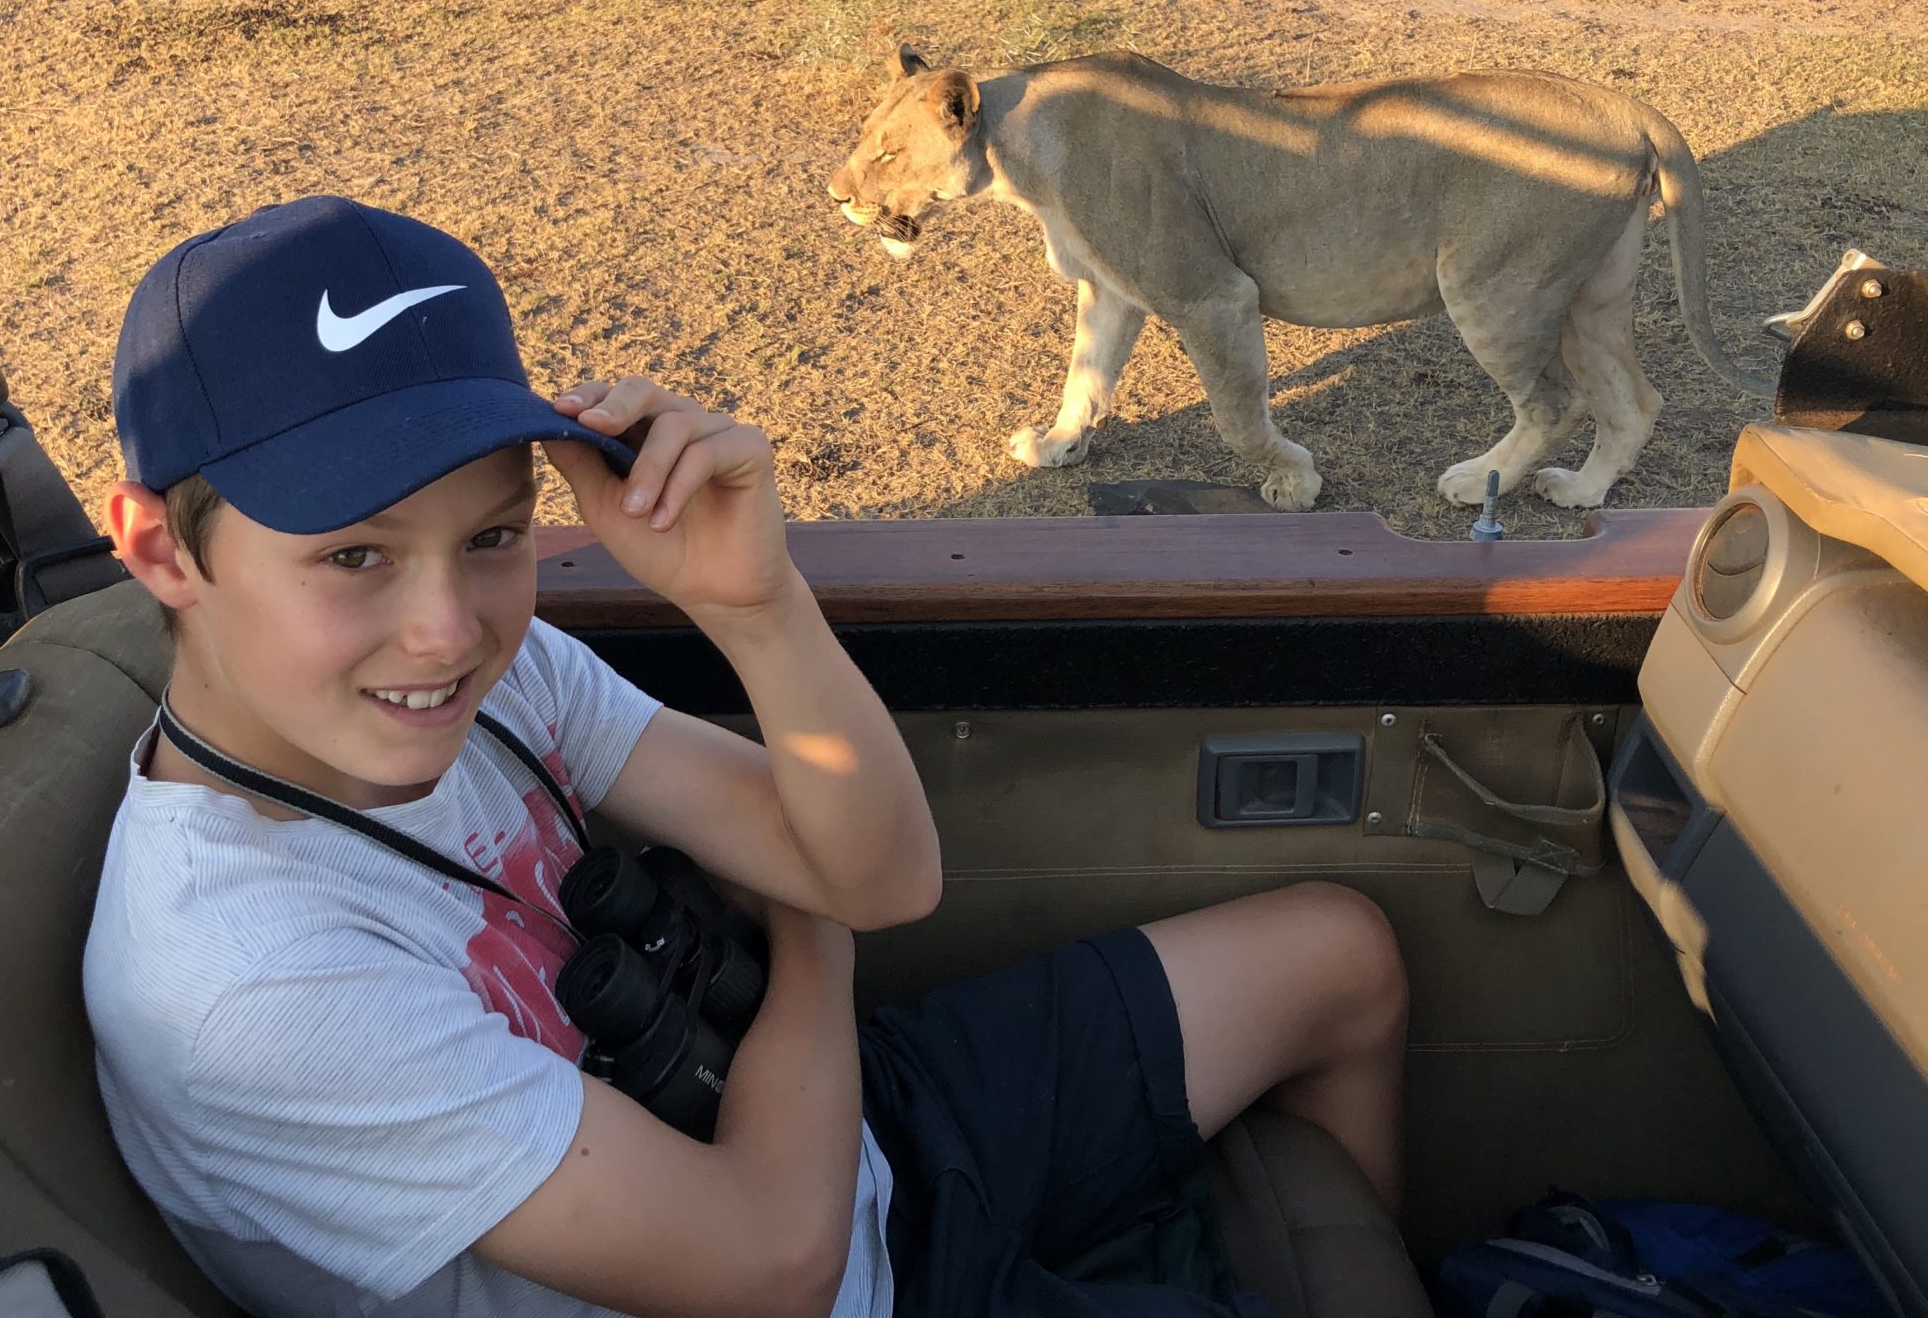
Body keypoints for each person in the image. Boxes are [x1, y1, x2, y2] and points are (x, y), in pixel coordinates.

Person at [85, 194, 1408, 1318]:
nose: (446, 629)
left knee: (1341, 960)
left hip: (840, 1128)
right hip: (793, 1244)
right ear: (159, 549)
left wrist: (752, 607)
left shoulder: (487, 668)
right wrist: (803, 917)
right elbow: (776, 1260)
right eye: (355, 555)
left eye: (492, 536)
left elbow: (884, 879)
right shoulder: (250, 978)